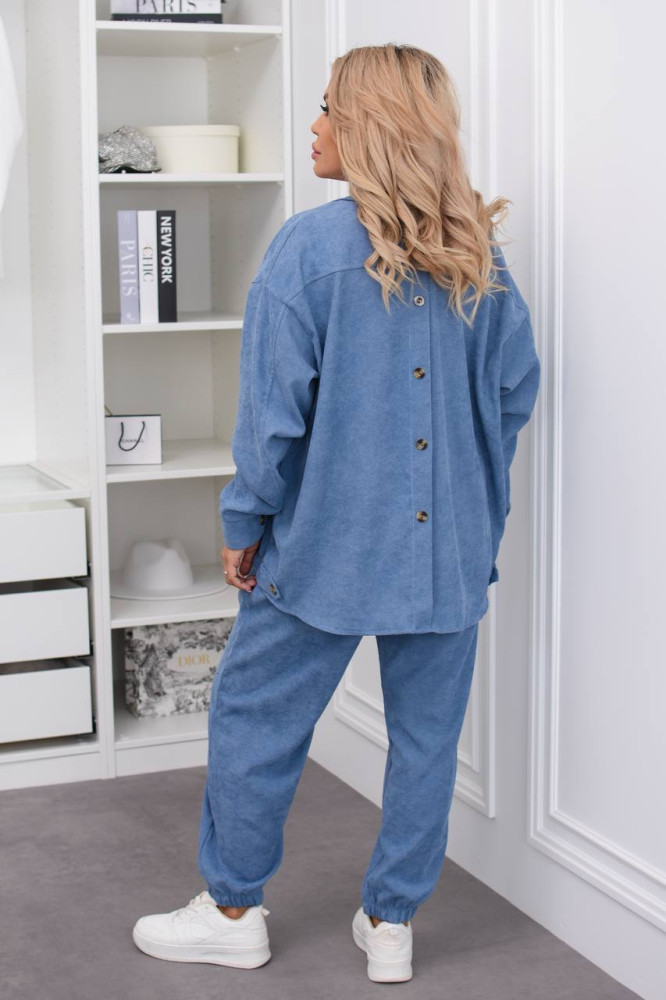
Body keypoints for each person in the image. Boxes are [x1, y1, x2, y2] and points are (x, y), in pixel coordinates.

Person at [132, 43, 541, 983]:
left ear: (369, 126)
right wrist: (472, 498)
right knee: (427, 743)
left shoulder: (309, 250)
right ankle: (391, 925)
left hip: (326, 545)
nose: (313, 126)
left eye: (327, 109)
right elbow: (514, 393)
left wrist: (243, 525)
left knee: (254, 717)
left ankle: (232, 911)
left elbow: (270, 419)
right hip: (450, 552)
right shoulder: (477, 256)